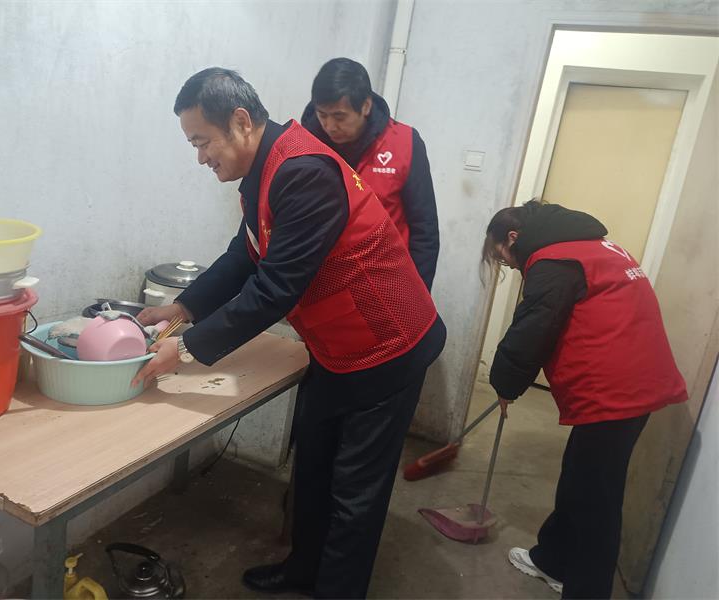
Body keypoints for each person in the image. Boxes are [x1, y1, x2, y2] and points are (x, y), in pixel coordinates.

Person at [133, 68, 446, 599]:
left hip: (388, 347)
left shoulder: (304, 172)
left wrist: (185, 347)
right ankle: (303, 570)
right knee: (314, 469)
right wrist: (181, 307)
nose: (201, 158)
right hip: (337, 348)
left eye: (203, 142)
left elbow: (275, 287)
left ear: (240, 121)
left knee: (354, 493)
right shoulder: (265, 170)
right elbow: (244, 255)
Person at [481, 200, 687, 599]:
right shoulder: (593, 246)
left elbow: (534, 327)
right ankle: (553, 560)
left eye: (502, 255)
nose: (507, 264)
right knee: (580, 475)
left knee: (597, 500)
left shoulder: (553, 261)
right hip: (635, 380)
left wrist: (505, 382)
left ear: (513, 237)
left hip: (617, 389)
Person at [301, 57, 439, 291]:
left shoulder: (405, 143)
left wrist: (415, 295)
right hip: (324, 285)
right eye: (322, 115)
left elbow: (424, 227)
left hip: (384, 283)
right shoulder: (305, 145)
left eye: (339, 116)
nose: (330, 126)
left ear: (365, 106)